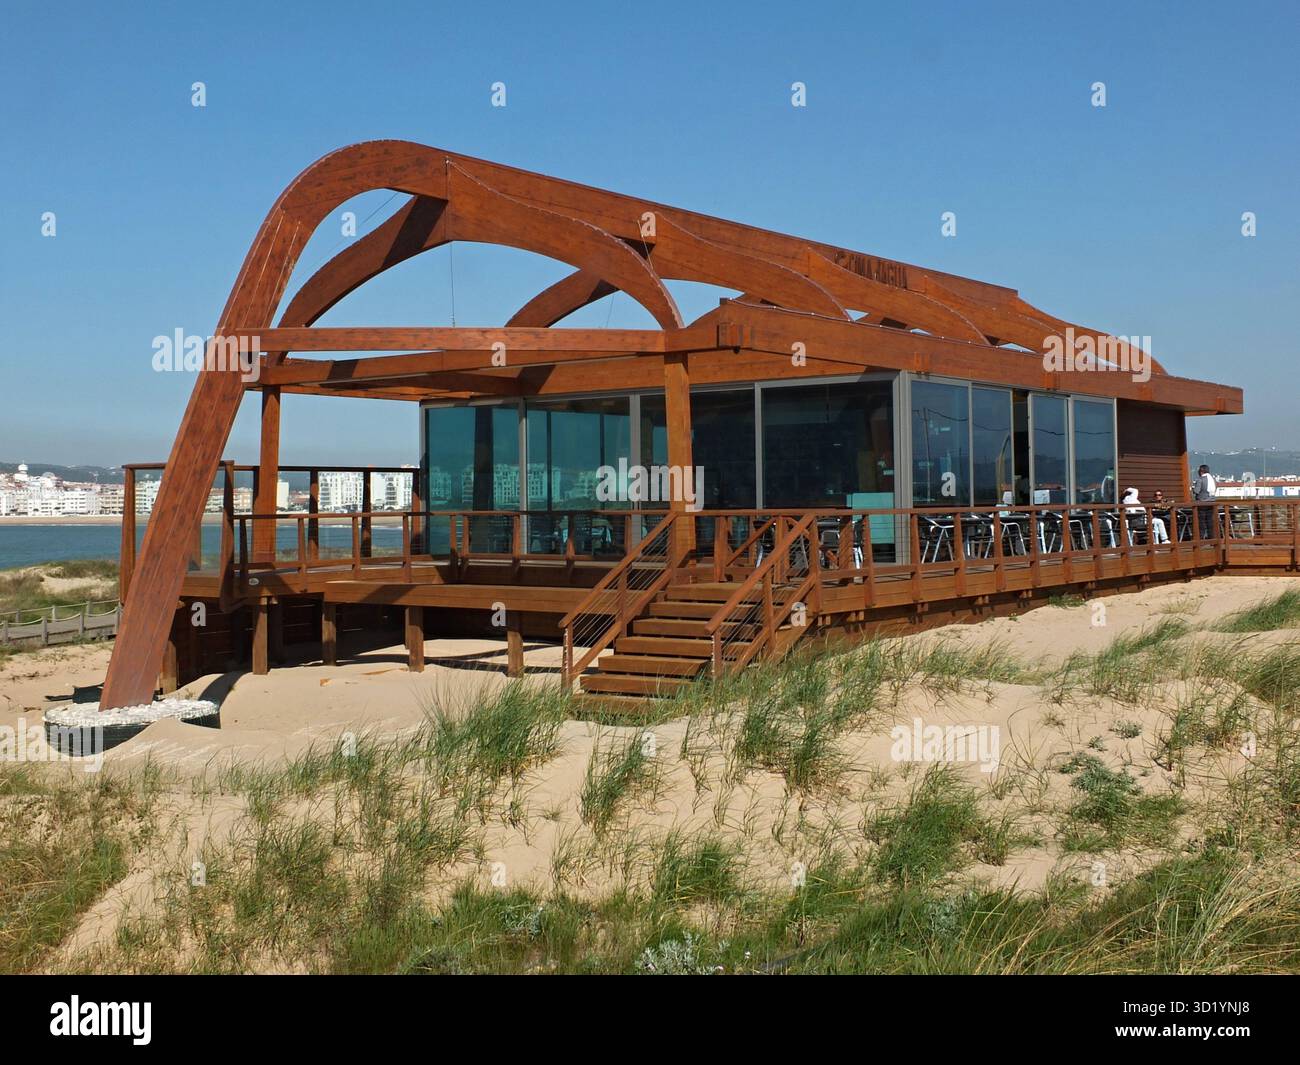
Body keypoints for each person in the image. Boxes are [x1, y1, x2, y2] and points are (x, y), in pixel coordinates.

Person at [1192, 464, 1217, 539]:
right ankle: (1212, 538)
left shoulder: (1200, 479)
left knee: (1201, 522)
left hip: (1202, 503)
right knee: (1210, 521)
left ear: (1201, 471)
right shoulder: (1213, 480)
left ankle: (1201, 538)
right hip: (1212, 502)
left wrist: (1193, 488)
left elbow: (1196, 491)